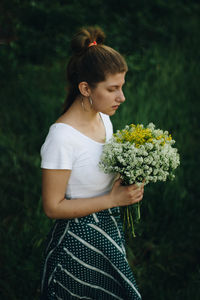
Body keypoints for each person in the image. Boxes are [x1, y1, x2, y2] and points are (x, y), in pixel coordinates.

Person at [40, 26, 144, 300]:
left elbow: (98, 173)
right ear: (85, 88)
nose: (121, 97)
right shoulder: (62, 138)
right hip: (78, 242)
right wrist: (113, 199)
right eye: (113, 89)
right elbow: (52, 206)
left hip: (108, 231)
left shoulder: (104, 120)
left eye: (121, 87)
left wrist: (132, 174)